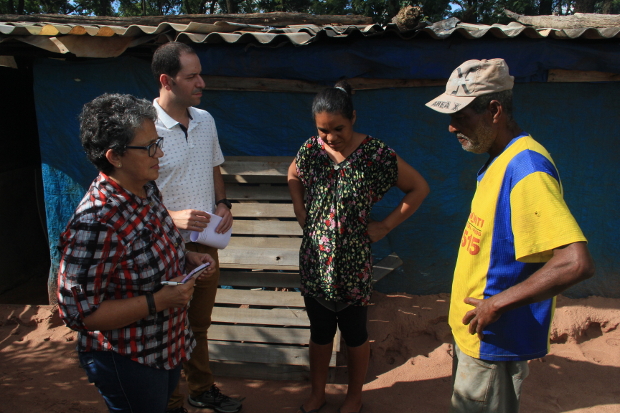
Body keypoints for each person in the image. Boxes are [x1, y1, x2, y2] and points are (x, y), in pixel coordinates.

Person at [425, 58, 595, 413]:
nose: (451, 127)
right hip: (477, 336)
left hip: (493, 341)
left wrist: (495, 303)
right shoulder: (499, 160)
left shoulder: (527, 168)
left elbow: (575, 262)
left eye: (460, 117)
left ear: (495, 111)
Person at [57, 93, 217, 413]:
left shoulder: (146, 187)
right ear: (115, 156)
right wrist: (158, 301)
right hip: (128, 358)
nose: (160, 153)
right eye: (149, 148)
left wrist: (187, 257)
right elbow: (79, 313)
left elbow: (159, 238)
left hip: (164, 346)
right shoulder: (96, 221)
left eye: (158, 142)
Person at [288, 80, 430, 413]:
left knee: (355, 333)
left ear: (353, 117)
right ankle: (318, 393)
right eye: (323, 130)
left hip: (354, 263)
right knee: (320, 331)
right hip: (315, 260)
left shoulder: (375, 154)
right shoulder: (311, 150)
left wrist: (385, 225)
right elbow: (293, 173)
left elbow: (419, 188)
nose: (330, 138)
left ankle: (354, 397)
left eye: (338, 128)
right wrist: (299, 207)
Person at [150, 42, 240, 413]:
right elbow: (129, 193)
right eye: (191, 77)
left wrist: (223, 204)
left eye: (200, 73)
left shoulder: (205, 120)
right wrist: (171, 219)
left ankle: (201, 389)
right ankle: (170, 402)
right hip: (159, 246)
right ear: (166, 81)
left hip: (203, 246)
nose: (201, 82)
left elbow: (213, 166)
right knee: (164, 327)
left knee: (198, 325)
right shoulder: (143, 127)